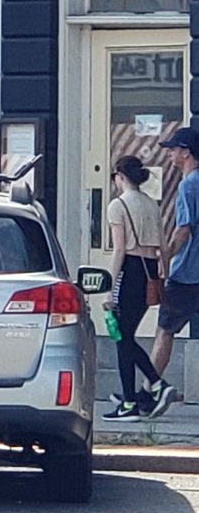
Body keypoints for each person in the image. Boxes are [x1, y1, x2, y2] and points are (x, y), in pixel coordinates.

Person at [102, 154, 176, 421]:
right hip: (151, 272)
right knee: (126, 336)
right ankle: (139, 393)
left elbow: (120, 248)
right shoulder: (150, 204)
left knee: (123, 337)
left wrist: (109, 288)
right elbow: (164, 247)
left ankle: (142, 394)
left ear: (120, 177)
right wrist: (164, 276)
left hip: (130, 270)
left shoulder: (117, 205)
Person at [147, 126, 199, 411]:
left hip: (188, 273)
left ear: (186, 152)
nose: (169, 154)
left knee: (165, 330)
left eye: (173, 149)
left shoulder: (188, 185)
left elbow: (183, 229)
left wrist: (165, 257)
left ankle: (150, 391)